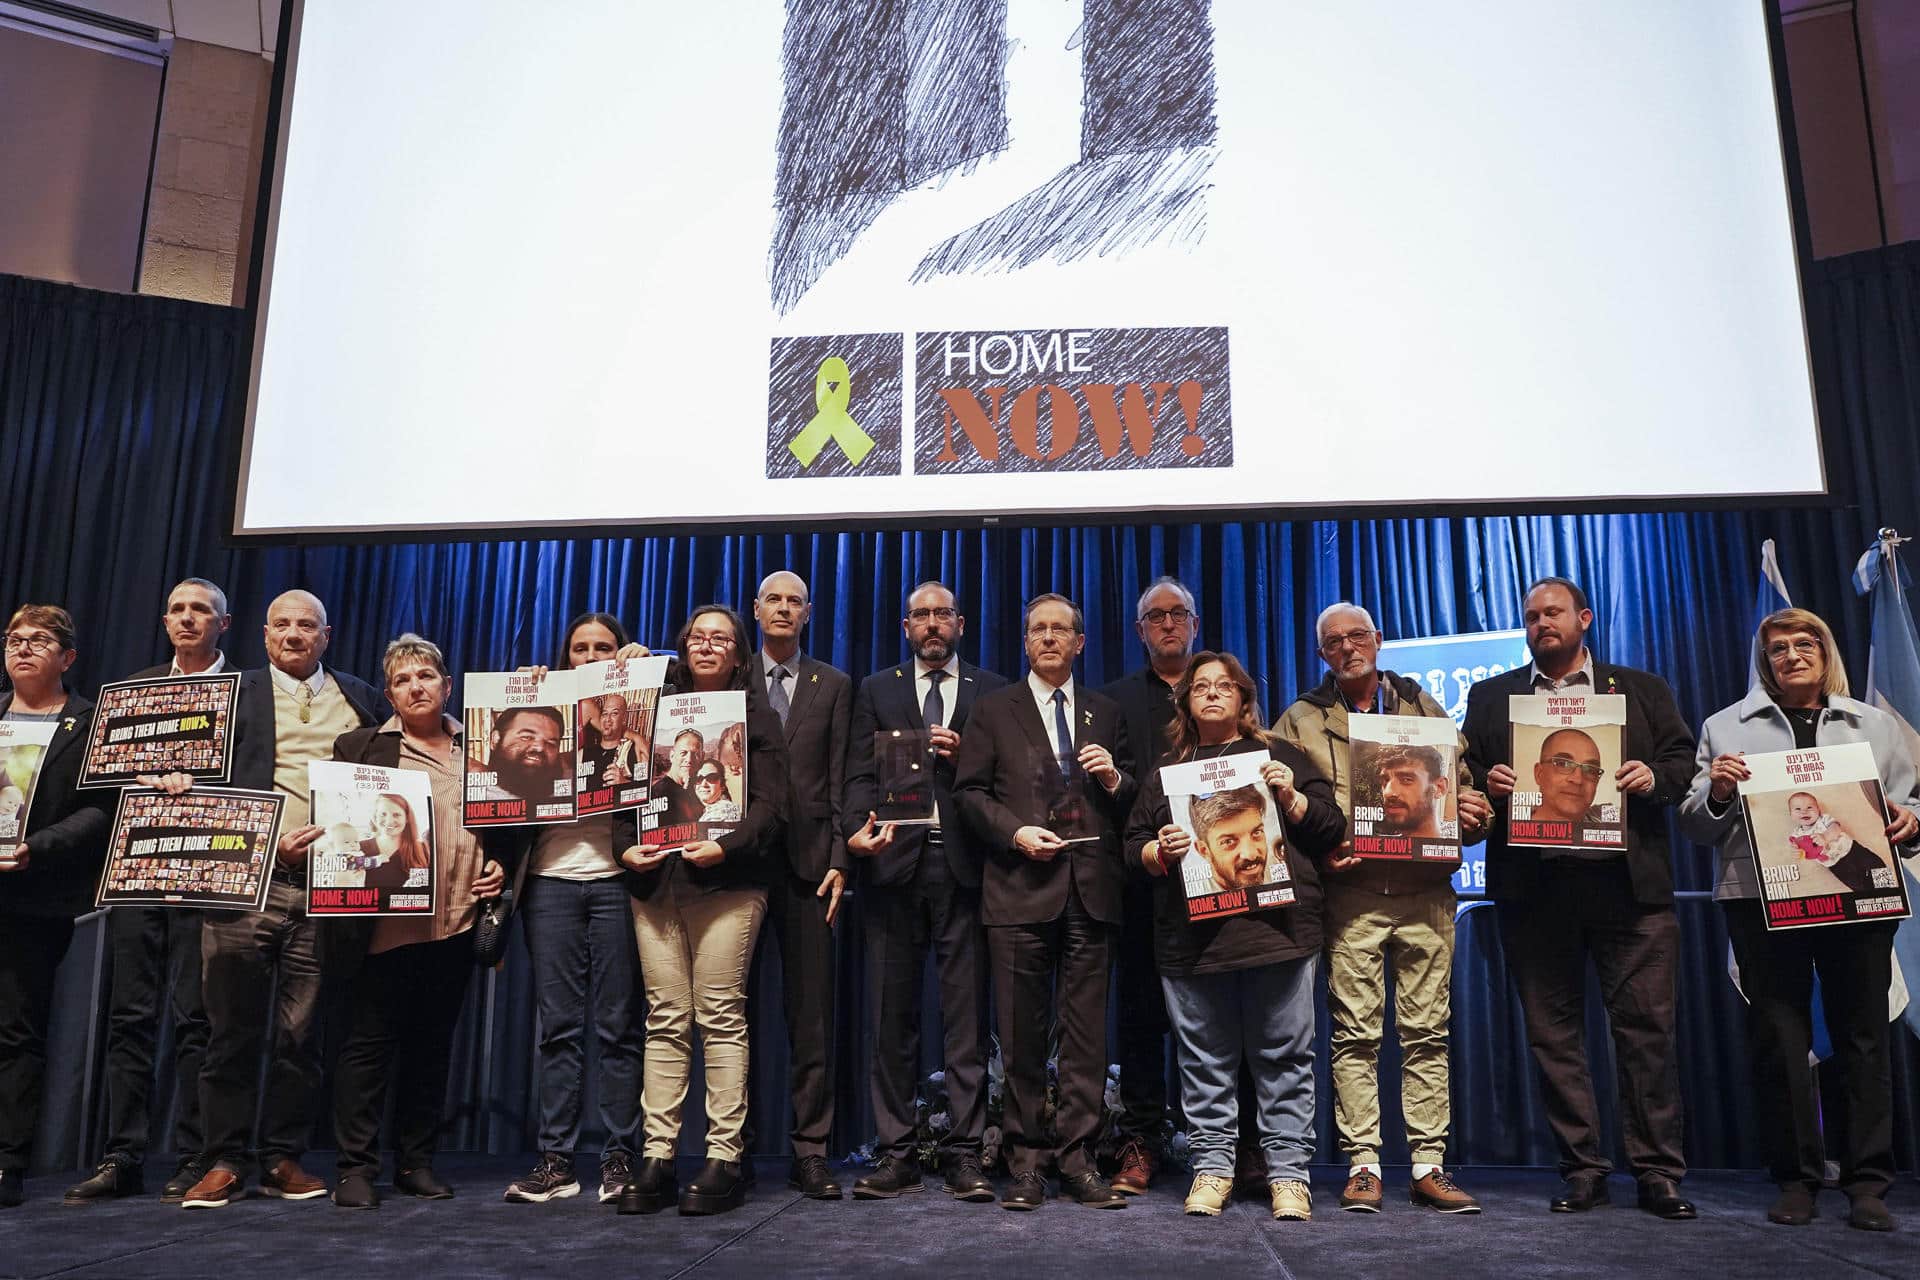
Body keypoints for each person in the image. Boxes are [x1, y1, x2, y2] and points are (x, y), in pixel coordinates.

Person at [1461, 576, 1697, 1220]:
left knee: (1647, 1036)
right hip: (1536, 895)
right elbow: (1464, 777)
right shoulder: (1491, 697)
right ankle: (1583, 1167)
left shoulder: (1640, 689)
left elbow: (1683, 762)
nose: (1542, 624)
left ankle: (1657, 1172)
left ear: (1584, 619)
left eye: (1554, 613)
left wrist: (1654, 777)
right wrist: (1490, 781)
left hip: (1631, 892)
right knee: (1554, 1039)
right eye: (1532, 616)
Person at [1679, 607, 1919, 1232]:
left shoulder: (1875, 726)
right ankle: (1796, 1180)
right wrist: (1722, 792)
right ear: (1766, 660)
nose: (1792, 654)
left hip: (1858, 899)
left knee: (1864, 1037)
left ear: (1825, 649)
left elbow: (1910, 807)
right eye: (1778, 647)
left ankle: (1868, 1183)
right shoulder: (1723, 726)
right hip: (1761, 901)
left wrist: (1910, 821)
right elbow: (1696, 824)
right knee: (1780, 1041)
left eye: (1805, 642)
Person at [1274, 602, 1489, 1215]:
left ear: (1379, 641)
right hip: (1352, 897)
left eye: (1357, 636)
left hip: (1426, 895)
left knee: (1427, 1034)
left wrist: (1475, 815)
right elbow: (1283, 819)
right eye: (1334, 641)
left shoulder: (1426, 711)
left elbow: (1463, 792)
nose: (1347, 647)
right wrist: (1319, 862)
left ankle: (1428, 1164)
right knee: (1355, 1035)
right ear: (1322, 655)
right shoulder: (1300, 721)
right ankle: (1363, 1164)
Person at [180, 590, 386, 1209]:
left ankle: (282, 1157)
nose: (294, 634)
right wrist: (175, 778)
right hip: (246, 884)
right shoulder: (231, 693)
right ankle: (222, 1160)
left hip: (329, 889)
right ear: (264, 633)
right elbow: (191, 770)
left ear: (327, 635)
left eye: (307, 625)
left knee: (301, 1036)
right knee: (231, 1031)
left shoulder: (359, 699)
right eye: (283, 625)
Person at [1126, 651, 1345, 1221]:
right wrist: (1156, 853)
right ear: (1186, 702)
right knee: (1204, 1063)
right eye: (1201, 687)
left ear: (1244, 699)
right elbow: (1132, 848)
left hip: (1280, 935)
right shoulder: (1165, 774)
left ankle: (1289, 1176)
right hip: (1193, 944)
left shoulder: (1282, 756)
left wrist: (1292, 799)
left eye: (1225, 686)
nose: (1213, 694)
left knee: (1286, 1059)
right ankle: (1212, 1169)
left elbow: (1330, 827)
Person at [954, 592, 1135, 1211]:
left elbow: (1135, 796)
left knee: (1086, 1040)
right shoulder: (992, 709)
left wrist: (1115, 778)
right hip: (1018, 888)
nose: (1050, 638)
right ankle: (1027, 1161)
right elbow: (970, 793)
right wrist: (1013, 832)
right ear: (1025, 642)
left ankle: (1079, 1160)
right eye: (1039, 630)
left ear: (1080, 643)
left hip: (1091, 892)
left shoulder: (1107, 713)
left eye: (1061, 630)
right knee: (1021, 1035)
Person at [329, 634, 514, 1208]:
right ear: (389, 694)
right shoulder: (359, 746)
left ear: (447, 685)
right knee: (369, 1045)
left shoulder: (483, 744)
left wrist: (502, 866)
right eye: (403, 681)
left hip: (457, 918)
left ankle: (416, 1161)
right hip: (386, 924)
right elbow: (344, 830)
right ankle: (356, 1168)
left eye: (426, 677)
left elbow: (514, 819)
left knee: (432, 1046)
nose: (416, 687)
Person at [615, 604, 788, 1216]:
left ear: (741, 655)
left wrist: (725, 846)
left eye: (722, 639)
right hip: (656, 883)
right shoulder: (652, 710)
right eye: (697, 637)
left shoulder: (754, 715)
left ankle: (724, 1158)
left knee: (718, 1014)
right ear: (682, 646)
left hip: (727, 883)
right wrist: (624, 850)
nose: (708, 646)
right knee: (664, 1018)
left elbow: (771, 806)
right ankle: (658, 1157)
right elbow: (620, 794)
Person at [65, 577, 228, 1206]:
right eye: (179, 610)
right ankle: (123, 1155)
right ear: (165, 622)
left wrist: (205, 783)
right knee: (129, 1017)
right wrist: (133, 773)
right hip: (138, 864)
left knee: (197, 1019)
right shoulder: (133, 694)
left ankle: (193, 1155)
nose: (188, 619)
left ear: (224, 622)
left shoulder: (244, 695)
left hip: (207, 868)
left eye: (201, 611)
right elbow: (99, 783)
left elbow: (255, 773)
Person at [844, 581, 1006, 1204]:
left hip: (966, 868)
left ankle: (966, 1154)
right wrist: (858, 831)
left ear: (961, 623)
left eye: (943, 615)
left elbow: (1005, 775)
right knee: (891, 1019)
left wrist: (968, 754)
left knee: (966, 1022)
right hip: (892, 866)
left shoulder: (990, 690)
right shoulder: (876, 688)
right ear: (905, 625)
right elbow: (858, 773)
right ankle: (896, 1152)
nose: (932, 625)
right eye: (921, 616)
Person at [503, 612, 645, 1207]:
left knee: (619, 1027)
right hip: (550, 882)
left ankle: (620, 1157)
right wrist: (519, 692)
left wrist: (649, 660)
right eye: (580, 649)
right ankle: (557, 1159)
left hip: (618, 880)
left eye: (604, 647)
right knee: (558, 1028)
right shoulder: (544, 718)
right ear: (566, 659)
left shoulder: (639, 710)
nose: (590, 656)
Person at [745, 570, 852, 1200]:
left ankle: (811, 1151)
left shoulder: (833, 684)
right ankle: (730, 1148)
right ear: (755, 610)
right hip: (734, 866)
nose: (784, 609)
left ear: (808, 613)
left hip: (813, 870)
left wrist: (842, 856)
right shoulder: (727, 681)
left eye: (795, 602)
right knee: (730, 1017)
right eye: (774, 600)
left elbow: (841, 778)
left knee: (811, 1018)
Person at [0, 605, 111, 1209]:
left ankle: (6, 1161)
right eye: (14, 639)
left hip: (34, 895)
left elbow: (99, 811)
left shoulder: (87, 724)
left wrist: (35, 848)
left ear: (67, 658)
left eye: (39, 641)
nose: (23, 649)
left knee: (16, 1029)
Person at [1094, 576, 1197, 1193]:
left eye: (1177, 614)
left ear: (1193, 622)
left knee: (1223, 1023)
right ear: (1139, 631)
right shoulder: (1112, 703)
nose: (1167, 624)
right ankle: (1140, 1143)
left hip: (1221, 881)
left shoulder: (1221, 686)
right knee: (1138, 1022)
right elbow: (1115, 805)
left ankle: (1233, 1148)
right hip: (1142, 884)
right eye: (1155, 617)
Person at [1782, 792, 1882, 895]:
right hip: (1836, 865)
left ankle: (1888, 889)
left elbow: (1836, 828)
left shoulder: (1823, 819)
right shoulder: (1797, 835)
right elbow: (1796, 849)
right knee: (1857, 884)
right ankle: (1871, 895)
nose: (1804, 812)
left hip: (1852, 850)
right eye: (1798, 809)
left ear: (1818, 810)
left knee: (1876, 864)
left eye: (1809, 807)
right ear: (1791, 815)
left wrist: (1825, 837)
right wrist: (1796, 852)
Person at [472, 706, 567, 804]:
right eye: (526, 737)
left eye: (551, 743)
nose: (539, 748)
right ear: (495, 739)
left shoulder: (567, 786)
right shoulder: (469, 787)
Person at [1530, 729, 1606, 823]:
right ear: (1539, 774)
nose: (1578, 780)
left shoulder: (1606, 821)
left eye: (1590, 770)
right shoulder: (1510, 821)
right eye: (1563, 764)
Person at [358, 793, 429, 892]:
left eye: (396, 815)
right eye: (383, 814)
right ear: (375, 817)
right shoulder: (358, 848)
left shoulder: (422, 849)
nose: (389, 821)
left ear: (407, 818)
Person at [1374, 746, 1449, 838]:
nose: (1388, 792)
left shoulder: (1452, 849)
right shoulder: (1376, 848)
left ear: (1439, 788)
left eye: (1406, 779)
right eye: (1385, 780)